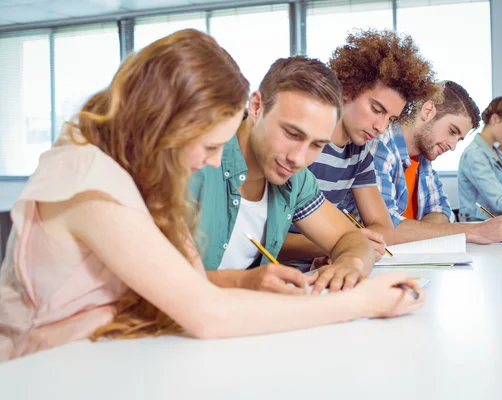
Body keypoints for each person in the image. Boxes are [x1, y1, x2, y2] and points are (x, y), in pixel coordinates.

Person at [0, 30, 425, 362]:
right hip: (42, 368)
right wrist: (361, 302)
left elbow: (187, 283)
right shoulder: (88, 176)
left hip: (118, 353)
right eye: (207, 146)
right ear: (163, 123)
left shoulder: (142, 172)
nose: (215, 162)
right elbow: (207, 312)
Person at [189, 55, 386, 295]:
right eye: (292, 134)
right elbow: (155, 278)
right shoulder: (197, 161)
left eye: (317, 145)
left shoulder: (296, 179)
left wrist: (349, 265)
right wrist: (242, 282)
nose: (299, 159)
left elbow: (351, 238)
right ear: (256, 107)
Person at [280, 29, 437, 267]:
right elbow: (269, 240)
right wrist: (340, 242)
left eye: (391, 119)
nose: (381, 127)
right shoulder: (297, 148)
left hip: (324, 271)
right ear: (347, 90)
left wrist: (344, 246)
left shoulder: (359, 153)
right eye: (377, 109)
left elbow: (385, 229)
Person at [358, 81, 502, 244]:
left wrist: (417, 233)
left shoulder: (423, 158)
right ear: (427, 111)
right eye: (452, 131)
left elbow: (442, 210)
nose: (453, 146)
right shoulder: (381, 147)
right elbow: (387, 229)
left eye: (459, 139)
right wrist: (472, 231)